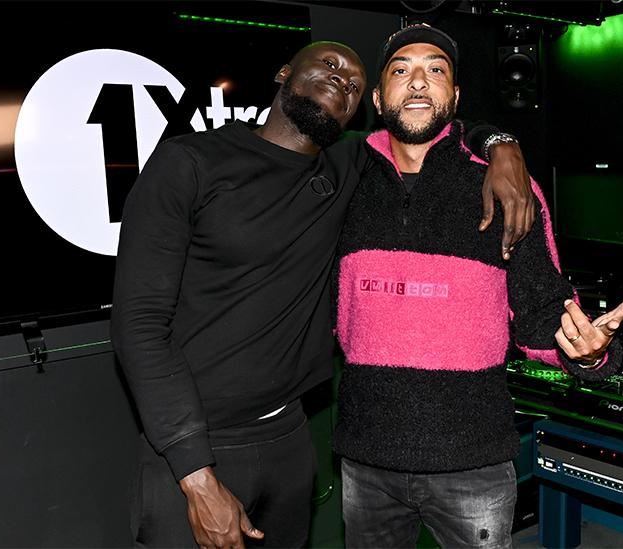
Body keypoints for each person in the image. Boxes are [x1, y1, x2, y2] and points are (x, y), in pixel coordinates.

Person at [111, 39, 536, 549]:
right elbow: (137, 325)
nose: (343, 80)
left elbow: (430, 122)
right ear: (285, 72)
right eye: (330, 65)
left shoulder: (348, 166)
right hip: (197, 447)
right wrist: (197, 476)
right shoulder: (190, 162)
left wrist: (503, 145)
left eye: (356, 84)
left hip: (290, 439)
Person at [332, 24, 623, 548]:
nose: (417, 83)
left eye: (435, 70)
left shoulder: (507, 187)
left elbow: (543, 312)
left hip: (472, 464)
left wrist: (589, 355)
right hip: (366, 462)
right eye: (401, 70)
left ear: (454, 97)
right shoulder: (344, 182)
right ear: (378, 95)